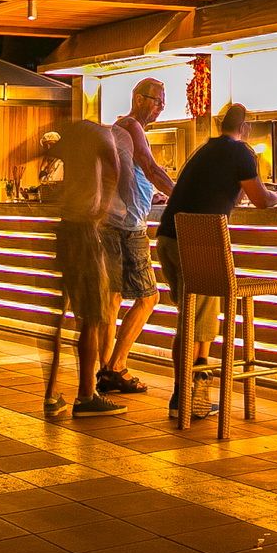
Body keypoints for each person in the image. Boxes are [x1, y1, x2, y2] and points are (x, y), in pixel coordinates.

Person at [156, 105, 277, 423]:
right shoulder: (241, 152)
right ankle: (185, 396)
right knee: (194, 323)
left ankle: (192, 394)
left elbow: (229, 195)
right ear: (246, 128)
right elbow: (262, 200)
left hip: (168, 237)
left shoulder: (206, 149)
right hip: (199, 242)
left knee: (193, 319)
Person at [101, 79, 176, 399]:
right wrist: (182, 194)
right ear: (138, 98)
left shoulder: (119, 128)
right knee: (148, 297)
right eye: (156, 100)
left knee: (113, 299)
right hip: (128, 227)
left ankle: (105, 370)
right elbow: (151, 168)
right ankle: (116, 366)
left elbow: (131, 176)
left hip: (111, 222)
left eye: (163, 101)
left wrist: (152, 195)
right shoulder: (131, 126)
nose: (161, 106)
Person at [49, 122, 126, 420]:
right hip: (84, 229)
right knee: (92, 315)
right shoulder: (101, 136)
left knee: (62, 314)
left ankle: (52, 393)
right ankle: (86, 395)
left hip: (66, 228)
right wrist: (103, 208)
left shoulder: (72, 137)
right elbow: (114, 170)